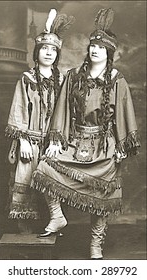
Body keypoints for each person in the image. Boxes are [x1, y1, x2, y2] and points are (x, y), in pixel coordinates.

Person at [30, 8, 140, 259]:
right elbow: (62, 110)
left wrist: (122, 146)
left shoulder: (116, 79)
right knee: (44, 167)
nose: (94, 50)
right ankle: (57, 217)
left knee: (102, 196)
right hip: (75, 141)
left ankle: (95, 244)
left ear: (109, 52)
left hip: (105, 145)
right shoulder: (73, 77)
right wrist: (56, 140)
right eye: (92, 46)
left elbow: (124, 113)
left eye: (100, 48)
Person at [5, 9, 75, 226]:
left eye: (53, 49)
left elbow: (67, 114)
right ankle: (25, 233)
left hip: (53, 144)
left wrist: (57, 141)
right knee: (25, 179)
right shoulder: (26, 79)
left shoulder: (63, 81)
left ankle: (54, 226)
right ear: (37, 52)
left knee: (52, 183)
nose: (48, 53)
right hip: (31, 140)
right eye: (44, 48)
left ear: (57, 54)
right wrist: (22, 139)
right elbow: (19, 109)